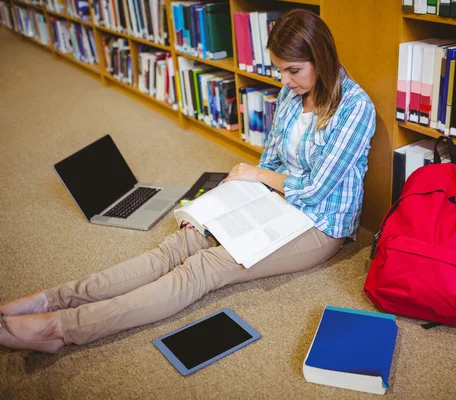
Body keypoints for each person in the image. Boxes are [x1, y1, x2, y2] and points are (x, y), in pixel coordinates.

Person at [0, 9, 376, 353]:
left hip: (319, 223)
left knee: (203, 268)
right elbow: (273, 158)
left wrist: (258, 176)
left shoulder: (356, 107)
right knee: (178, 244)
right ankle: (53, 299)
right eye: (280, 70)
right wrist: (229, 200)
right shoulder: (294, 94)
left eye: (292, 70)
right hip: (274, 202)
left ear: (321, 58)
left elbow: (314, 189)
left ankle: (60, 328)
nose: (284, 80)